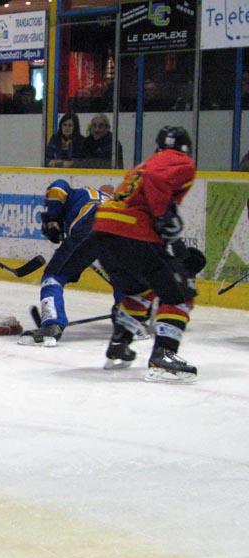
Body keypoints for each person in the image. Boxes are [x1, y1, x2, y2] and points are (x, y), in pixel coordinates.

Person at [92, 125, 198, 382]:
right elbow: (157, 181)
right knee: (180, 292)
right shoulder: (181, 161)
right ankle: (164, 356)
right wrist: (164, 216)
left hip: (104, 233)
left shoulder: (146, 163)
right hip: (132, 233)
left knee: (140, 290)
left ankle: (119, 345)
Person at [18, 180, 114, 346]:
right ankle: (131, 320)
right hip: (124, 229)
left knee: (53, 276)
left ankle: (52, 323)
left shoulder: (76, 194)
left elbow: (58, 187)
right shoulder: (109, 199)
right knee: (121, 278)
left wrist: (52, 218)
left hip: (90, 226)